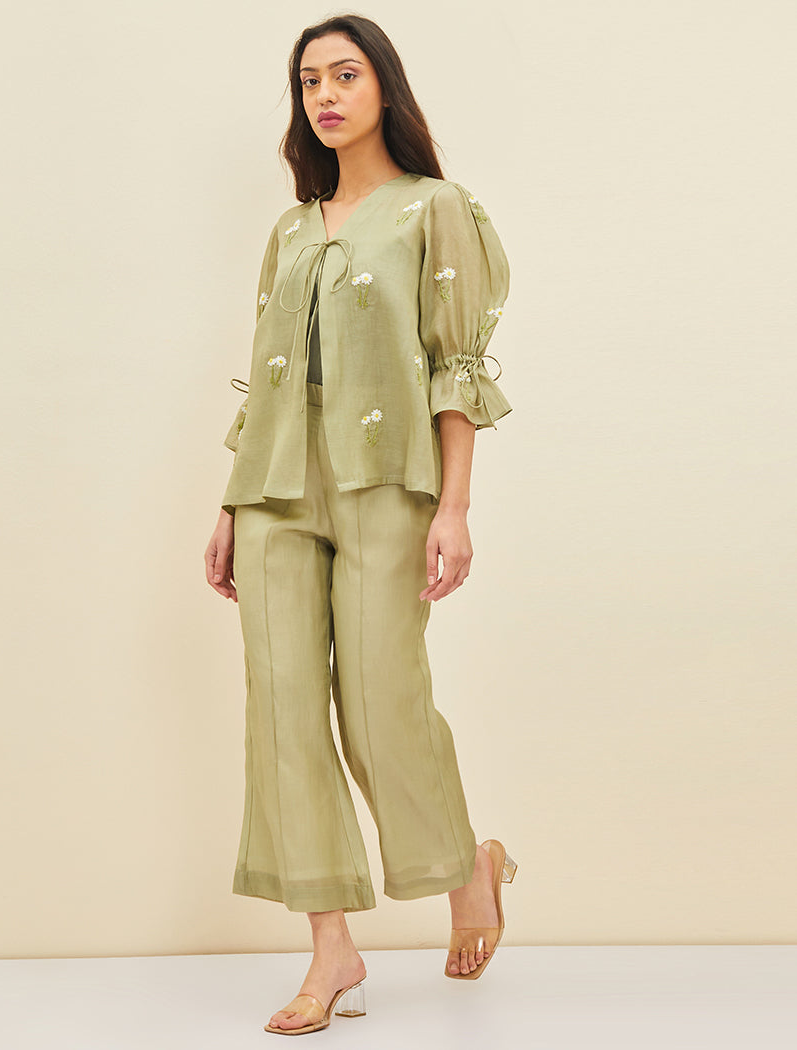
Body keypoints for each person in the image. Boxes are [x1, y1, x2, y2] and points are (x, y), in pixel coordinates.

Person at [204, 13, 518, 1036]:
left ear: (384, 85)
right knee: (284, 709)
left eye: (345, 75)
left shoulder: (436, 210)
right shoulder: (293, 229)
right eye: (309, 82)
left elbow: (456, 367)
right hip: (274, 487)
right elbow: (267, 375)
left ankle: (468, 865)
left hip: (387, 481)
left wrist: (454, 507)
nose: (326, 96)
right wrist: (230, 501)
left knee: (382, 699)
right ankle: (331, 950)